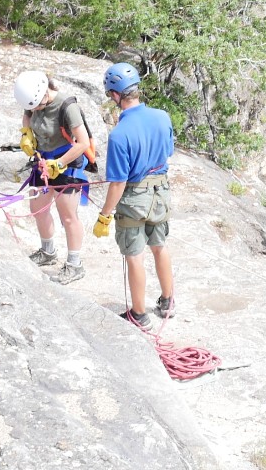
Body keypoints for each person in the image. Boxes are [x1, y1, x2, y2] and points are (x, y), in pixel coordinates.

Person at [93, 62, 175, 331]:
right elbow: (167, 152)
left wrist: (104, 215)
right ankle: (168, 301)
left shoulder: (119, 135)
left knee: (135, 254)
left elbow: (118, 183)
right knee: (159, 245)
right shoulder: (162, 116)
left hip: (134, 198)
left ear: (115, 95)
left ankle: (139, 315)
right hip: (160, 191)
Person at [15, 70, 94, 285]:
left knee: (67, 216)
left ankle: (75, 264)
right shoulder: (33, 99)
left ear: (45, 94)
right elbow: (28, 114)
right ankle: (48, 251)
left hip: (66, 163)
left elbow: (83, 143)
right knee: (37, 209)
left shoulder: (67, 107)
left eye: (38, 107)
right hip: (42, 160)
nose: (36, 110)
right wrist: (26, 133)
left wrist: (58, 165)